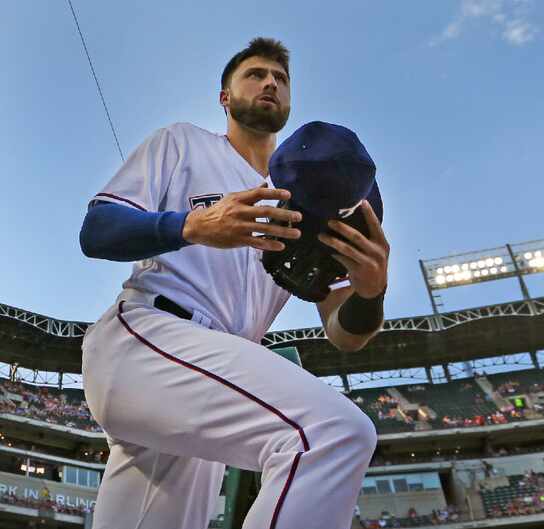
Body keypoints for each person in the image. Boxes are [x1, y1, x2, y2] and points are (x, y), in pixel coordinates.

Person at [78, 37, 390, 529]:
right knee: (333, 433)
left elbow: (344, 332)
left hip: (216, 380)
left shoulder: (313, 196)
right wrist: (191, 226)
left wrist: (371, 292)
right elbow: (96, 231)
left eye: (281, 79)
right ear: (225, 97)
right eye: (256, 74)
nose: (270, 82)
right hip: (151, 336)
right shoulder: (182, 143)